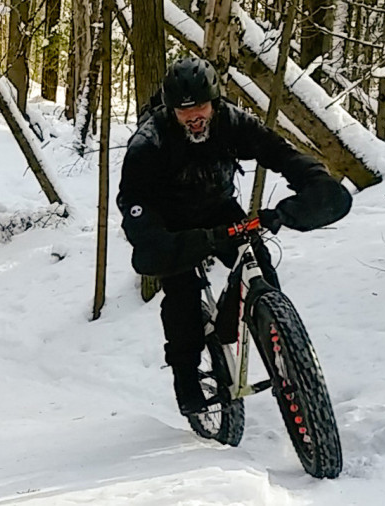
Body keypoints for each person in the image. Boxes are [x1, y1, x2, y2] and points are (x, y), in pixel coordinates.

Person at [117, 57, 352, 415]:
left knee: (259, 266)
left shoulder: (230, 122)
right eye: (184, 111)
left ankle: (281, 340)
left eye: (201, 107)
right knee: (182, 297)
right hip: (170, 223)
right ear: (171, 111)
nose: (194, 117)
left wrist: (314, 183)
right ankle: (185, 374)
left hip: (218, 208)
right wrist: (152, 241)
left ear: (214, 102)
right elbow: (133, 203)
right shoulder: (149, 143)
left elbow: (279, 152)